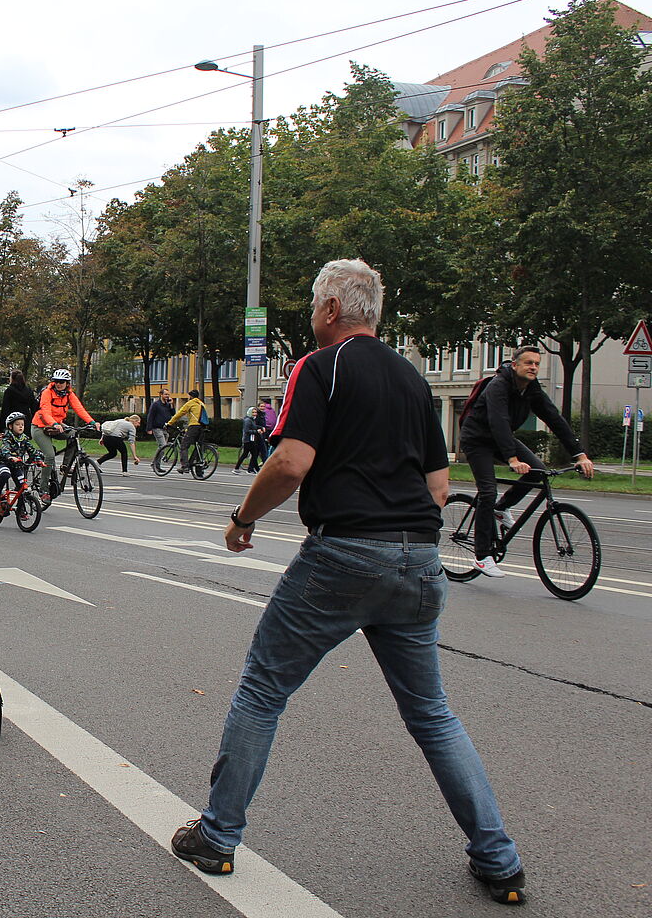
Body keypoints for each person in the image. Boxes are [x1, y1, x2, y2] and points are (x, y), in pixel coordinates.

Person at [174, 259, 527, 907]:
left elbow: (290, 462)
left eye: (314, 304)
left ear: (333, 307)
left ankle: (218, 837)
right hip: (417, 560)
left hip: (343, 556)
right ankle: (498, 858)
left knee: (262, 688)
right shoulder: (412, 380)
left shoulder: (320, 366)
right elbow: (440, 485)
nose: (311, 316)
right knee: (432, 713)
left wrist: (241, 519)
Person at [457, 345, 593, 577]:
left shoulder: (532, 389)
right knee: (488, 492)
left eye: (537, 364)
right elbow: (498, 420)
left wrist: (579, 454)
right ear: (515, 364)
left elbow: (554, 419)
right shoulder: (499, 385)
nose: (533, 367)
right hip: (477, 439)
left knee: (538, 471)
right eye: (528, 363)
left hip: (502, 438)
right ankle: (482, 556)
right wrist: (511, 458)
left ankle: (501, 509)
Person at [31, 368, 95, 495]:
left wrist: (92, 422)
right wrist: (54, 423)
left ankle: (65, 467)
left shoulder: (69, 394)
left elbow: (79, 408)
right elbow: (45, 410)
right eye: (56, 381)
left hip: (57, 425)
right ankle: (44, 489)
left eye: (62, 382)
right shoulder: (47, 393)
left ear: (67, 383)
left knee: (73, 435)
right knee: (49, 456)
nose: (59, 384)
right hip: (40, 426)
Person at [0, 411, 43, 503]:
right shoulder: (7, 438)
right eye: (17, 424)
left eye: (22, 424)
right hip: (3, 463)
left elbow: (32, 451)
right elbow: (5, 449)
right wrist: (10, 457)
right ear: (10, 426)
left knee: (22, 488)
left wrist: (38, 460)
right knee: (6, 474)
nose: (21, 426)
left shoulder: (24, 439)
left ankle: (21, 510)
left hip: (17, 466)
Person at [166, 388, 208, 473]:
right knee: (198, 447)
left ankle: (185, 466)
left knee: (184, 446)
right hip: (203, 427)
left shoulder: (190, 403)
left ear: (191, 396)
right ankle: (198, 471)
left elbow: (179, 413)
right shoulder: (201, 404)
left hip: (194, 426)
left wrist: (169, 423)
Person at [0, 369, 36, 433]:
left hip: (12, 420)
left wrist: (1, 428)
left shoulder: (9, 391)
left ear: (12, 378)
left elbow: (5, 409)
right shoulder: (28, 390)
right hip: (25, 421)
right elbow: (34, 407)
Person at [234, 406, 263, 474]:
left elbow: (254, 427)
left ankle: (238, 468)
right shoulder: (248, 420)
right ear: (250, 412)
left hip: (251, 440)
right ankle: (254, 470)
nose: (254, 414)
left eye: (255, 412)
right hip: (248, 440)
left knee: (248, 454)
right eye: (253, 412)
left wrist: (260, 428)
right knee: (253, 454)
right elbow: (247, 431)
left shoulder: (251, 420)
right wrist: (256, 431)